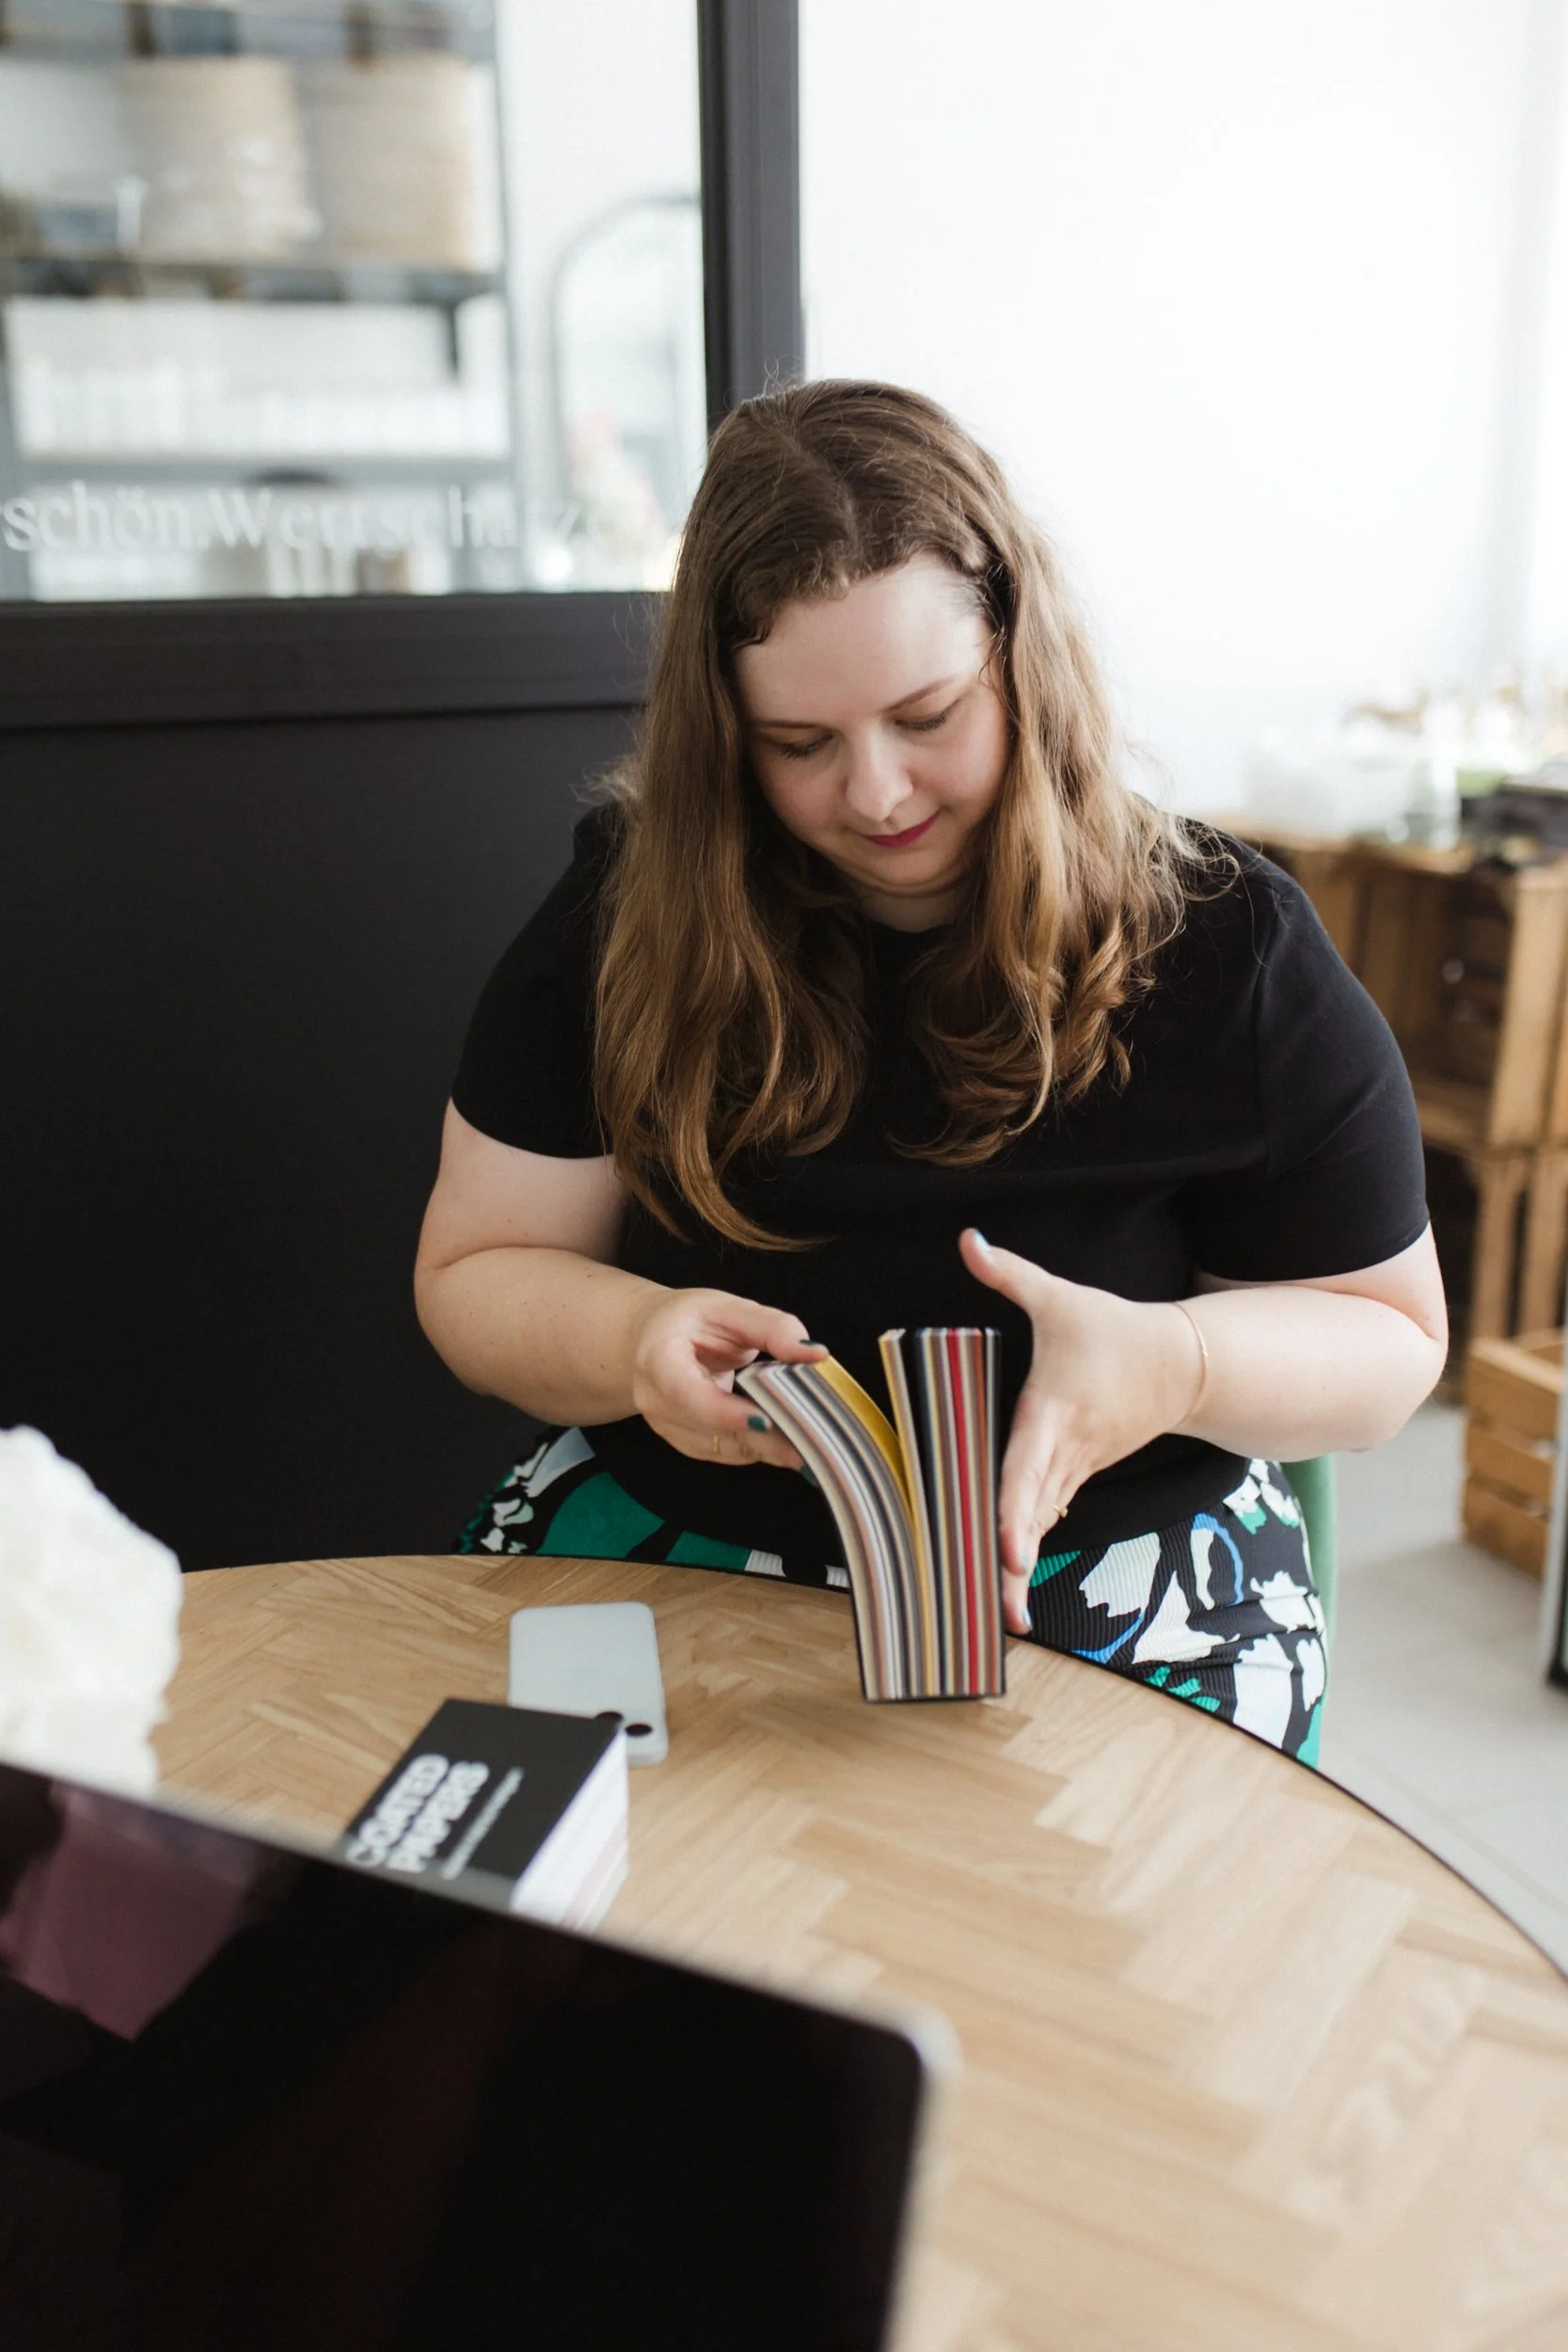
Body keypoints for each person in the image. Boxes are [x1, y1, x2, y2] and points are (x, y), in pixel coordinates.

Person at [416, 381, 1446, 1766]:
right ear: (722, 732)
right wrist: (626, 1345)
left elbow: (1390, 1343)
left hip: (1126, 1578)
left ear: (1020, 654)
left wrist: (1177, 1360)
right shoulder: (627, 919)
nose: (878, 795)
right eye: (798, 745)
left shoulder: (1222, 943)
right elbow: (475, 1272)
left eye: (930, 715)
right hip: (687, 1547)